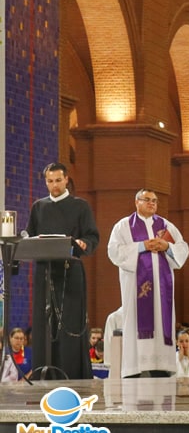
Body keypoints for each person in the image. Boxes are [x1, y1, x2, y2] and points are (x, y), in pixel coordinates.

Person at [26, 161, 100, 379]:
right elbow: (30, 234)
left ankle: (72, 372)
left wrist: (84, 243)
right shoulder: (38, 207)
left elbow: (92, 236)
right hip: (45, 273)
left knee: (69, 323)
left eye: (58, 180)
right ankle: (44, 372)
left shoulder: (80, 205)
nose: (54, 185)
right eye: (50, 181)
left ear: (66, 179)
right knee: (44, 322)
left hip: (70, 273)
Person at [108, 189, 189, 377]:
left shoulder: (166, 225)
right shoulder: (124, 226)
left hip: (162, 289)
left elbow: (183, 248)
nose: (152, 203)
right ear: (136, 202)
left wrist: (166, 246)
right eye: (147, 200)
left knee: (161, 321)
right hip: (135, 289)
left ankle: (161, 366)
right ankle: (135, 368)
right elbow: (114, 251)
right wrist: (142, 246)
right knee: (136, 320)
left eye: (154, 201)